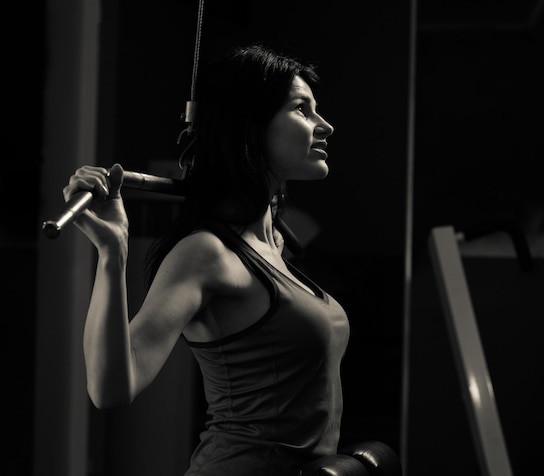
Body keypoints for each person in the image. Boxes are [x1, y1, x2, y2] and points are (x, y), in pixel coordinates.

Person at [63, 44, 349, 475]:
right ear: (249, 127)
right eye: (301, 109)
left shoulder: (274, 245)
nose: (324, 125)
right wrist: (112, 251)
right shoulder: (207, 253)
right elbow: (111, 388)